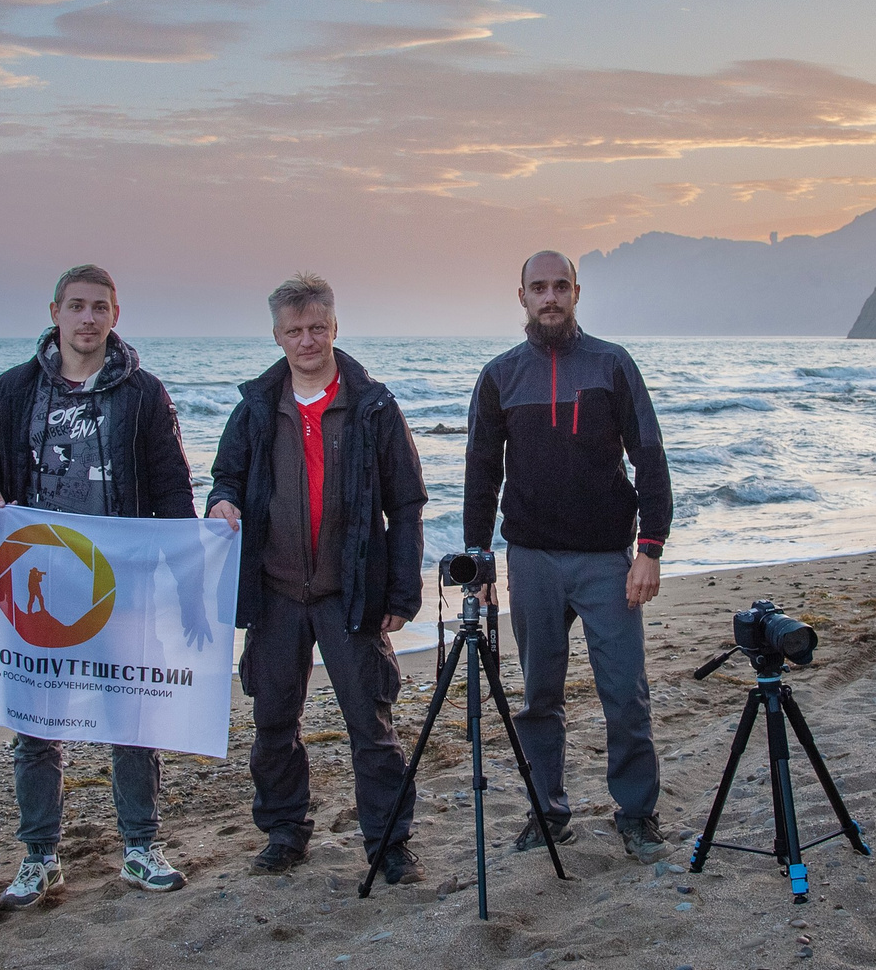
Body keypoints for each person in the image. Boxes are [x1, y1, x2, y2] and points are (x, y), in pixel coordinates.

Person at [0, 265, 197, 903]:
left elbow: (173, 485)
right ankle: (40, 856)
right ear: (55, 312)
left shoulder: (144, 394)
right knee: (36, 722)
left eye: (99, 307)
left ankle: (141, 847)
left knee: (132, 716)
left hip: (121, 586)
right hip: (37, 580)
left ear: (115, 315)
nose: (87, 319)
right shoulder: (13, 390)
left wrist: (191, 579)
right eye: (76, 307)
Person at [206, 273, 428, 881]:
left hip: (350, 594)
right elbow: (226, 479)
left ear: (335, 327)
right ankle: (284, 831)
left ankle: (390, 842)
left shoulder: (374, 405)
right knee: (274, 721)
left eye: (317, 328)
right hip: (275, 592)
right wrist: (221, 504)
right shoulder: (256, 407)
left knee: (371, 725)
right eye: (294, 330)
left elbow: (406, 503)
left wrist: (403, 594)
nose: (307, 340)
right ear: (277, 334)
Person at [463, 249, 675, 863]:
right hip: (530, 559)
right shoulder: (500, 375)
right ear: (521, 296)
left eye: (561, 286)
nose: (550, 297)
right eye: (539, 287)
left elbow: (650, 456)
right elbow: (481, 472)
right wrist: (479, 560)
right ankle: (547, 812)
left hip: (607, 560)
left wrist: (650, 550)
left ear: (577, 293)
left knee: (625, 693)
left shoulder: (611, 365)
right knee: (538, 698)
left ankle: (637, 814)